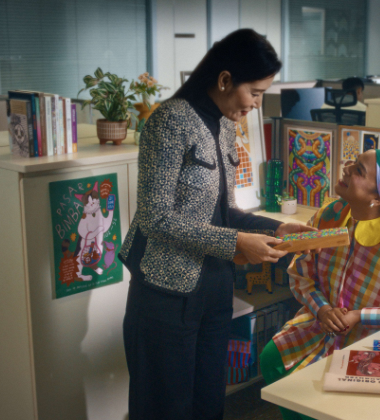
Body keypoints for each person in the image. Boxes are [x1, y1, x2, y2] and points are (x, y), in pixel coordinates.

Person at [119, 29, 314, 420]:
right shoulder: (168, 122)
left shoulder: (226, 125)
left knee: (209, 403)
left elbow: (223, 212)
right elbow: (157, 219)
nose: (257, 105)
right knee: (164, 408)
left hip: (214, 288)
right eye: (255, 93)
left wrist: (274, 229)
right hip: (166, 292)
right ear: (225, 80)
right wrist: (237, 242)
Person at [260, 149, 380, 420]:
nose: (347, 168)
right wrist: (322, 309)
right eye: (354, 163)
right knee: (271, 358)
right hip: (321, 326)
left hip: (369, 345)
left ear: (377, 198)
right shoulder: (329, 216)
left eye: (359, 170)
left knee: (315, 397)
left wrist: (360, 316)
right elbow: (300, 273)